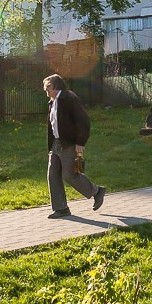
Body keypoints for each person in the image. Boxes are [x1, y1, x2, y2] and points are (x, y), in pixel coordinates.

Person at [43, 73, 105, 219]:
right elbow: (52, 125)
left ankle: (97, 191)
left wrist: (80, 143)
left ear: (55, 86)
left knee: (69, 175)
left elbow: (83, 121)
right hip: (56, 144)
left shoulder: (69, 98)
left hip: (69, 143)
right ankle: (61, 208)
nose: (45, 90)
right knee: (52, 175)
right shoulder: (53, 102)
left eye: (47, 87)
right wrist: (51, 147)